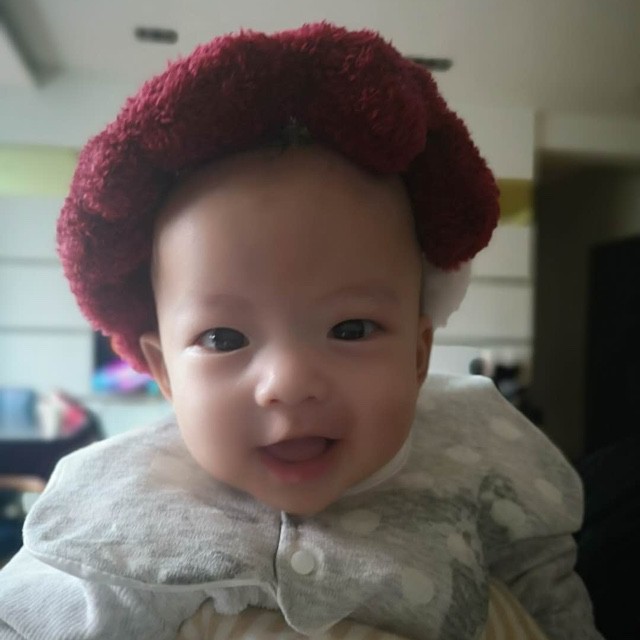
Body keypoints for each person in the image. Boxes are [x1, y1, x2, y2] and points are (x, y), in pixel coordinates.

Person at [0, 23, 602, 640]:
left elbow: (550, 587)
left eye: (351, 328)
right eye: (223, 338)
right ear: (164, 373)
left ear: (419, 356)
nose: (287, 383)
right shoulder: (128, 506)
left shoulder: (474, 450)